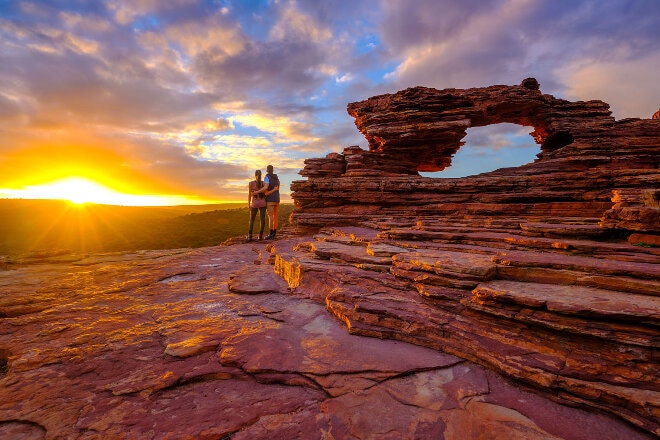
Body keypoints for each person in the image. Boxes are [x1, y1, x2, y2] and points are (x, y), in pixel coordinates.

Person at [254, 164, 280, 240]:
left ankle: (271, 234)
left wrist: (257, 192)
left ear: (267, 170)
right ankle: (274, 232)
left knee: (271, 216)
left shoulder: (267, 177)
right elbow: (278, 189)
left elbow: (265, 189)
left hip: (270, 200)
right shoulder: (277, 178)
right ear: (273, 170)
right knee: (276, 216)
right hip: (277, 199)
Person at [247, 169, 267, 241]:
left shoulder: (251, 183)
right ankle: (260, 236)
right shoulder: (263, 183)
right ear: (261, 175)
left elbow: (249, 194)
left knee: (252, 220)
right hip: (263, 203)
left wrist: (249, 204)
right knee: (262, 219)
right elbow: (266, 193)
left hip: (254, 203)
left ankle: (250, 236)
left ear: (255, 175)